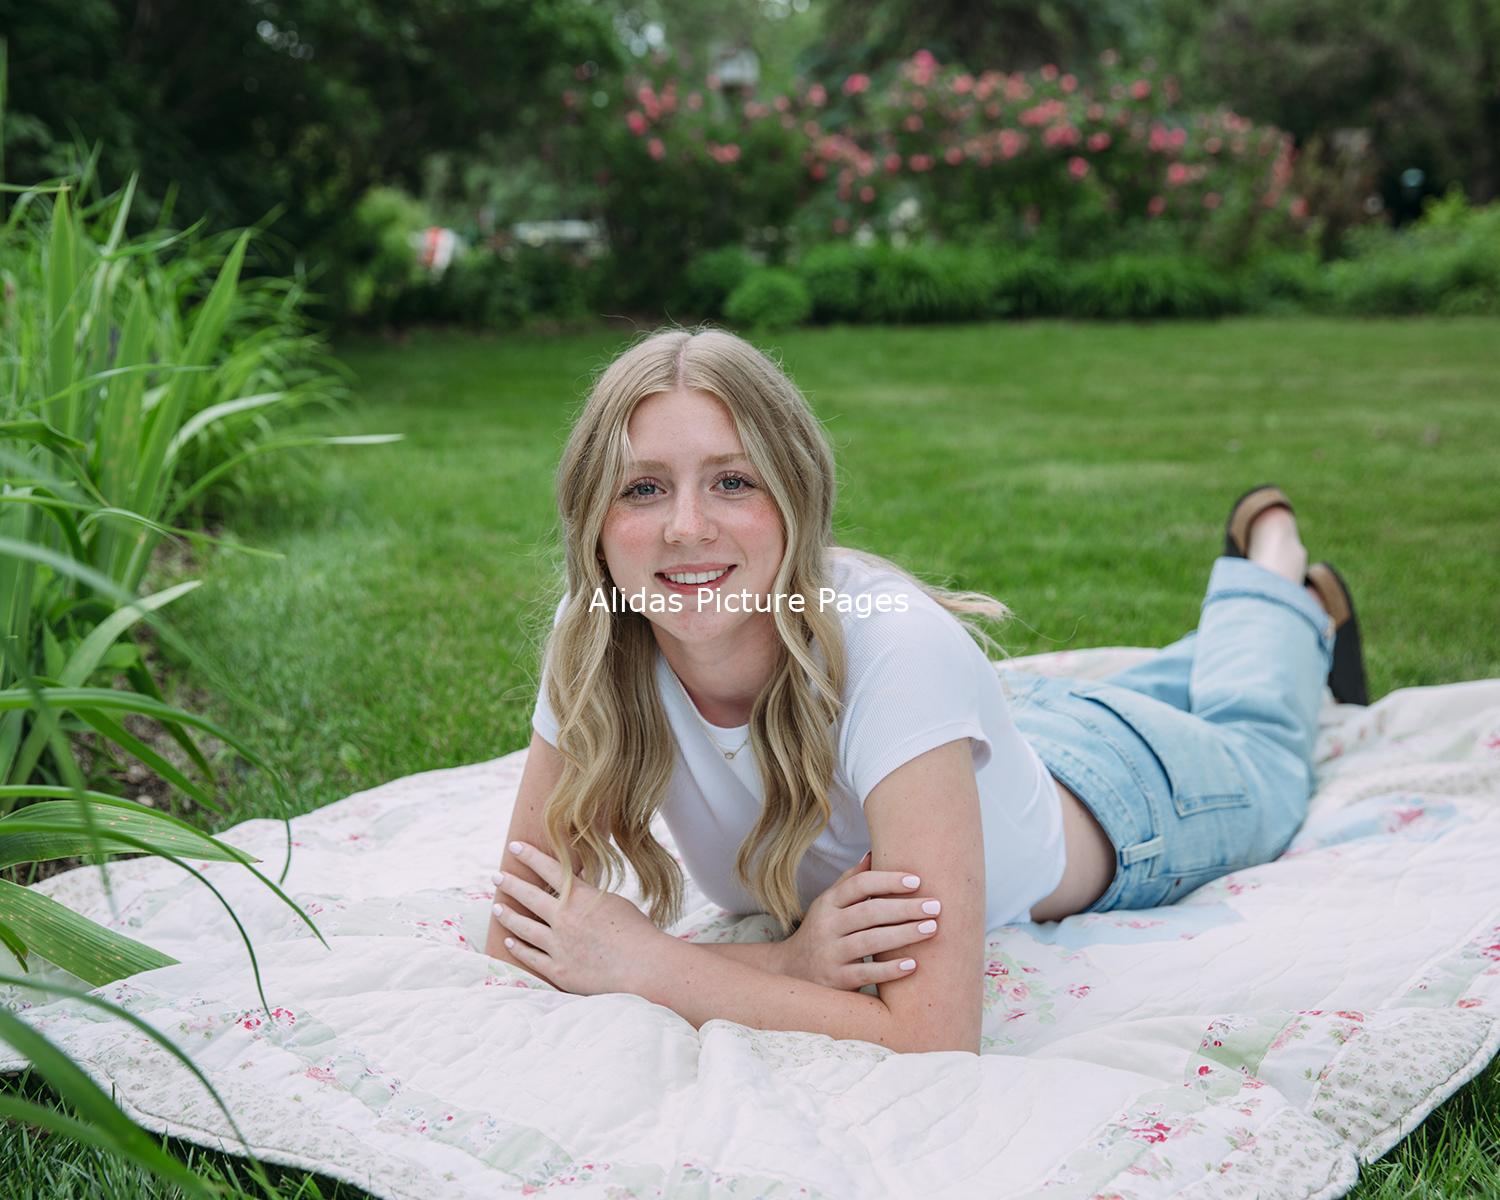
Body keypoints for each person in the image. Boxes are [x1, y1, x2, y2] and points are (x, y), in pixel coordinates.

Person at [481, 327, 1367, 1055]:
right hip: (1002, 747)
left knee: (1258, 733)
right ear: (594, 523)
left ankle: (1277, 567)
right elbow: (519, 935)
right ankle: (1237, 625)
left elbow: (932, 1036)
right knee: (1141, 691)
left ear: (795, 498)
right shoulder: (597, 634)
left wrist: (650, 964)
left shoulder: (896, 649)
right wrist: (787, 965)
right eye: (642, 488)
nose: (685, 527)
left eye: (732, 481)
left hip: (1128, 802)